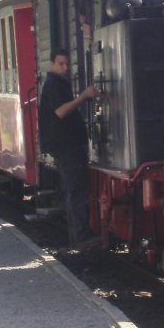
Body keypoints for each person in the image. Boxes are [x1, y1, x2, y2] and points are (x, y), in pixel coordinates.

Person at [38, 49, 98, 248]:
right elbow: (61, 112)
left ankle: (79, 236)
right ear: (52, 64)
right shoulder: (53, 84)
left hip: (67, 144)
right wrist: (84, 96)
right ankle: (81, 237)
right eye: (60, 64)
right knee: (77, 189)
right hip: (65, 145)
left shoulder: (59, 83)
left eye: (67, 64)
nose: (65, 68)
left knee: (76, 189)